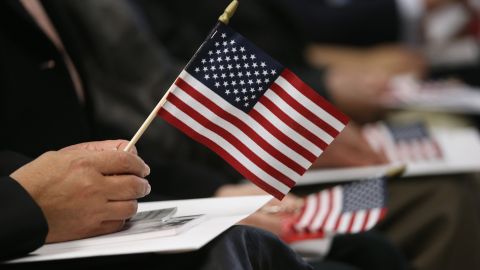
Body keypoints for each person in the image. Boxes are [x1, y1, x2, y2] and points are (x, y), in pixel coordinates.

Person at [0, 1, 318, 269]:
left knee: (341, 239)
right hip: (47, 243)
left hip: (137, 210)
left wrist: (214, 194)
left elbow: (84, 137)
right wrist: (27, 206)